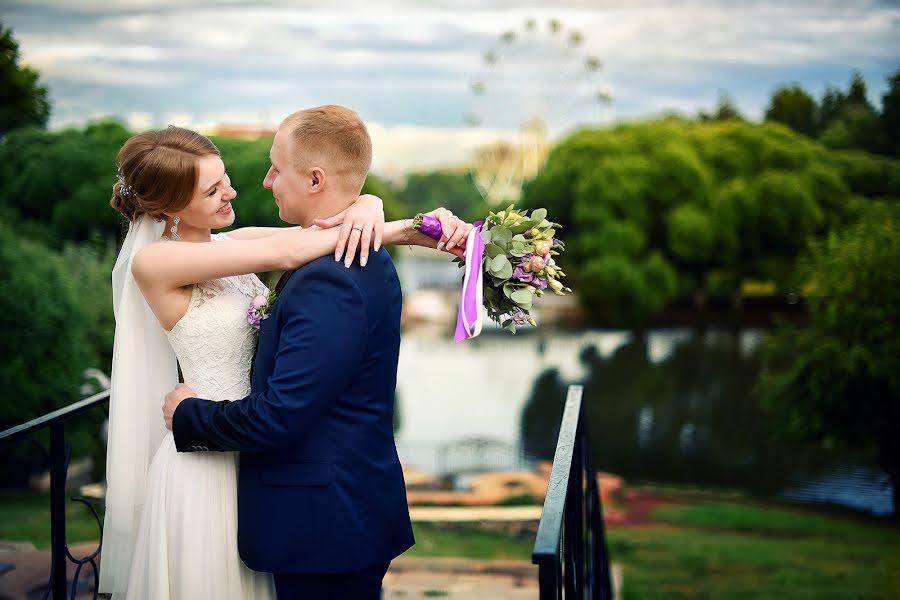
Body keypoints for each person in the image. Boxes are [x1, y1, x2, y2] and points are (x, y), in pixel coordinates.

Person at [101, 114, 471, 599]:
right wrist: (379, 217)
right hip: (206, 454)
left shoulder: (230, 243)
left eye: (225, 178)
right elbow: (294, 248)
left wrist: (369, 206)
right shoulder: (156, 263)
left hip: (251, 454)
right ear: (172, 206)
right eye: (213, 191)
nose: (234, 192)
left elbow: (304, 235)